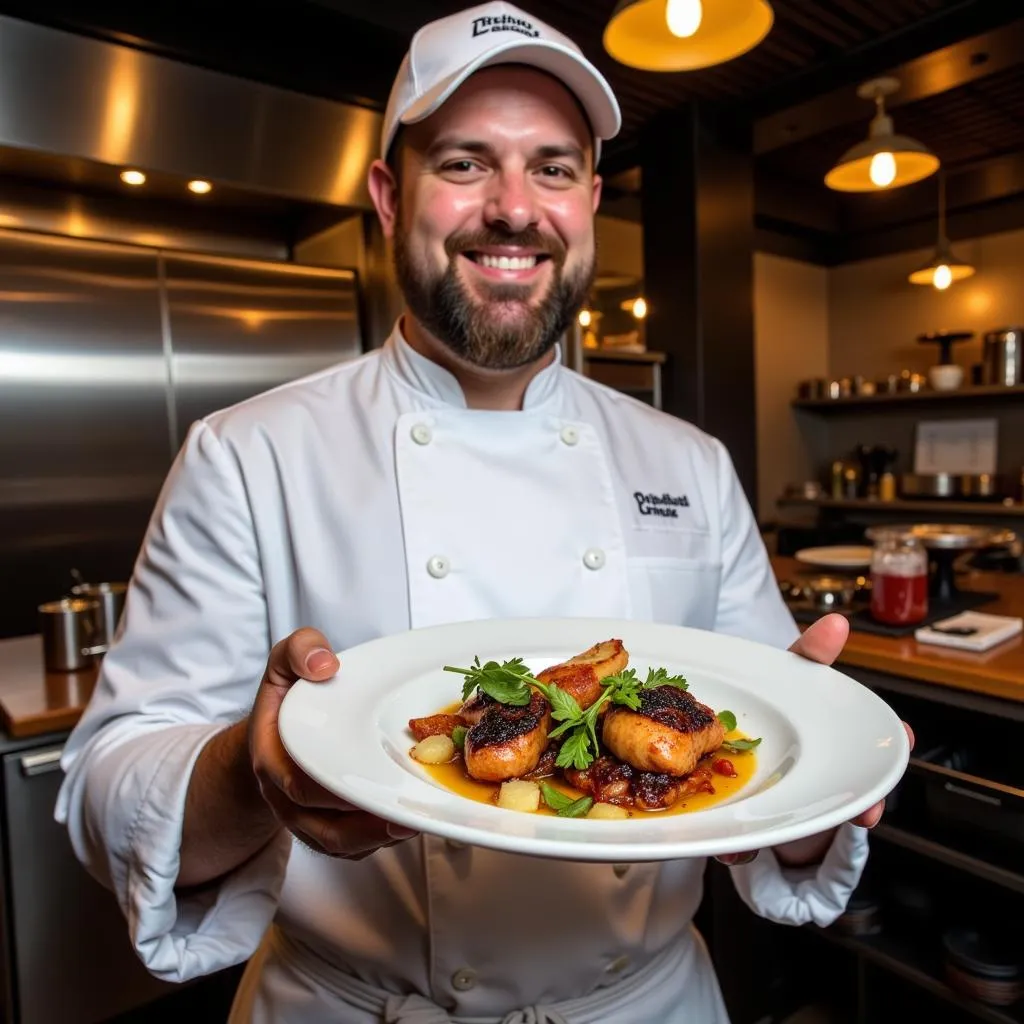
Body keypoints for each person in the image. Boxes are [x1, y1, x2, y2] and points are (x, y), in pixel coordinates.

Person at [56, 4, 906, 1022]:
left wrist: (817, 789)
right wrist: (254, 770)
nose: (514, 207)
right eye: (464, 163)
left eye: (551, 168)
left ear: (589, 201)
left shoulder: (687, 459)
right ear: (387, 193)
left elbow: (774, 803)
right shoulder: (249, 454)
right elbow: (106, 788)